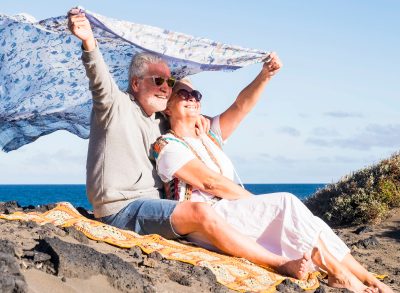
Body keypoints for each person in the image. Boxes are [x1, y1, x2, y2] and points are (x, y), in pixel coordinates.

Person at [66, 8, 315, 280]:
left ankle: (318, 260)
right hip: (120, 210)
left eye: (169, 82)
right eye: (158, 80)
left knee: (219, 216)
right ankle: (279, 263)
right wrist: (89, 42)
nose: (165, 87)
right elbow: (99, 80)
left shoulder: (163, 122)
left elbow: (237, 109)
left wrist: (204, 116)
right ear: (136, 84)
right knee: (200, 211)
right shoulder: (114, 106)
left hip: (155, 207)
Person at [153, 76, 393, 292]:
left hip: (231, 212)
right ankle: (339, 273)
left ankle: (369, 279)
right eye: (182, 94)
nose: (192, 98)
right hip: (206, 222)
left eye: (196, 95)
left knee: (314, 222)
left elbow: (241, 106)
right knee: (286, 202)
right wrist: (258, 202)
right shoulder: (168, 146)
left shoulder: (209, 136)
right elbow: (211, 182)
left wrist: (266, 74)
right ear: (167, 108)